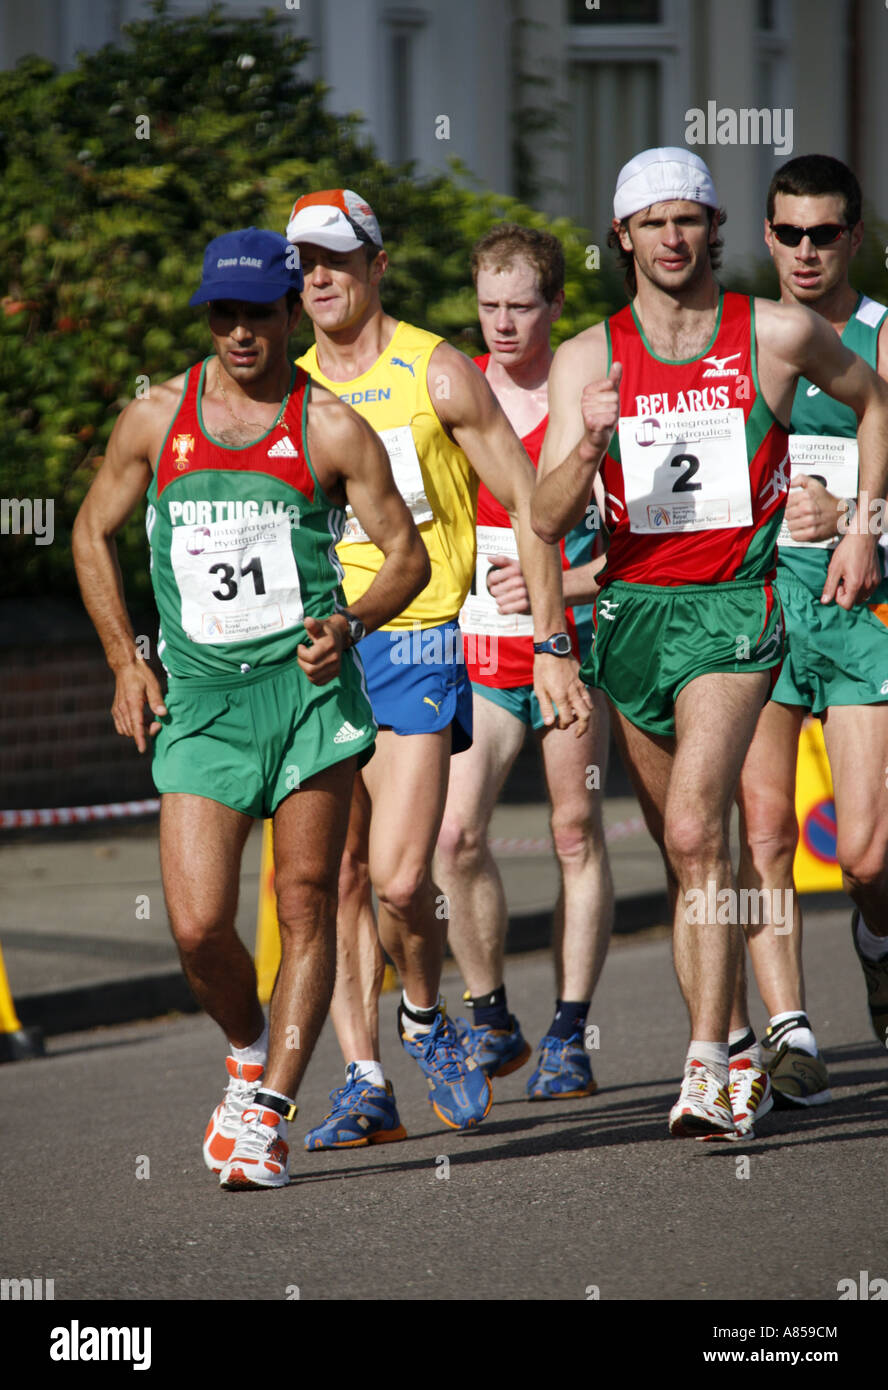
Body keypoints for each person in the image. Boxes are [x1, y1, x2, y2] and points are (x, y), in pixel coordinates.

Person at [532, 148, 888, 1140]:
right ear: (624, 238)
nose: (674, 239)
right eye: (655, 224)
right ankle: (737, 1041)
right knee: (693, 856)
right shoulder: (585, 361)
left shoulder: (773, 334)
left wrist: (862, 520)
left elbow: (876, 402)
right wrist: (588, 451)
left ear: (717, 230)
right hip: (635, 616)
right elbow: (543, 511)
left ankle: (704, 1063)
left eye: (691, 221)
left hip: (738, 610)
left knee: (701, 827)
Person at [71, 227, 430, 1189]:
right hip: (201, 703)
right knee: (196, 928)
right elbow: (90, 532)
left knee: (306, 901)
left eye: (256, 314)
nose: (239, 333)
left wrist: (352, 623)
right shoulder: (156, 418)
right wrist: (123, 661)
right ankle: (246, 1047)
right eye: (222, 315)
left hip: (308, 697)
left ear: (287, 314)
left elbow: (408, 556)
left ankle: (269, 1110)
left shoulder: (331, 427)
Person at [283, 190, 590, 1148]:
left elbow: (534, 505)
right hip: (319, 650)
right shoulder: (287, 389)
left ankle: (424, 1014)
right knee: (334, 874)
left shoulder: (439, 372)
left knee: (404, 876)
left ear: (377, 266)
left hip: (418, 634)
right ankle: (365, 1081)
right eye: (305, 264)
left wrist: (548, 641)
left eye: (338, 258)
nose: (321, 278)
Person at [433, 224, 614, 1098]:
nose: (502, 324)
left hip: (573, 652)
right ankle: (493, 1015)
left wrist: (567, 587)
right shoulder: (455, 391)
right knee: (452, 835)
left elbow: (642, 548)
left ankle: (571, 1032)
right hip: (478, 654)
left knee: (573, 833)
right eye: (488, 306)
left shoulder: (591, 397)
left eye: (521, 306)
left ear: (555, 305)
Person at [734, 155, 888, 1105]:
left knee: (867, 853)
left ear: (854, 239)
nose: (803, 250)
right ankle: (789, 1032)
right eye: (787, 233)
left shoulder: (881, 338)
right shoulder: (740, 340)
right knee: (762, 828)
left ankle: (876, 936)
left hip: (861, 611)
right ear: (766, 237)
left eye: (823, 233)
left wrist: (861, 522)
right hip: (758, 610)